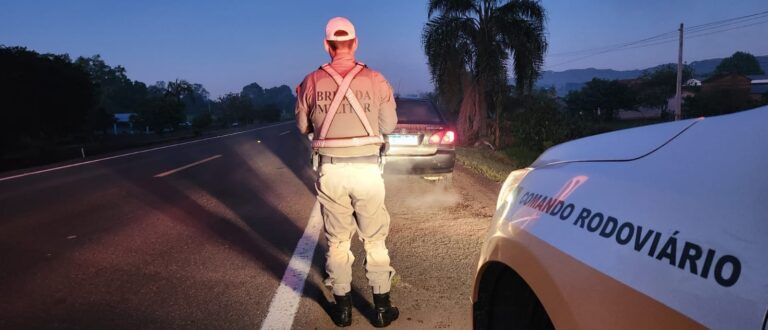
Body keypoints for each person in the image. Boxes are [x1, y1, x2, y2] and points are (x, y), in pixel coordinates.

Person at [294, 17, 399, 328]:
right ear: (355, 43)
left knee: (338, 241)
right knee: (374, 240)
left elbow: (302, 127)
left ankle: (342, 311)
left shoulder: (310, 81)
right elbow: (389, 125)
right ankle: (381, 309)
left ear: (327, 46)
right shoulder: (376, 79)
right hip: (368, 171)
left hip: (332, 172)